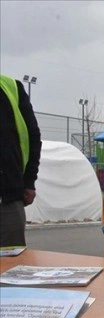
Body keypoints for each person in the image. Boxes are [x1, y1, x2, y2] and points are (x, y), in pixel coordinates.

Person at [0, 74, 42, 247]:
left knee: (11, 265)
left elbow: (32, 136)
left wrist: (29, 181)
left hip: (7, 197)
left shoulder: (11, 87)